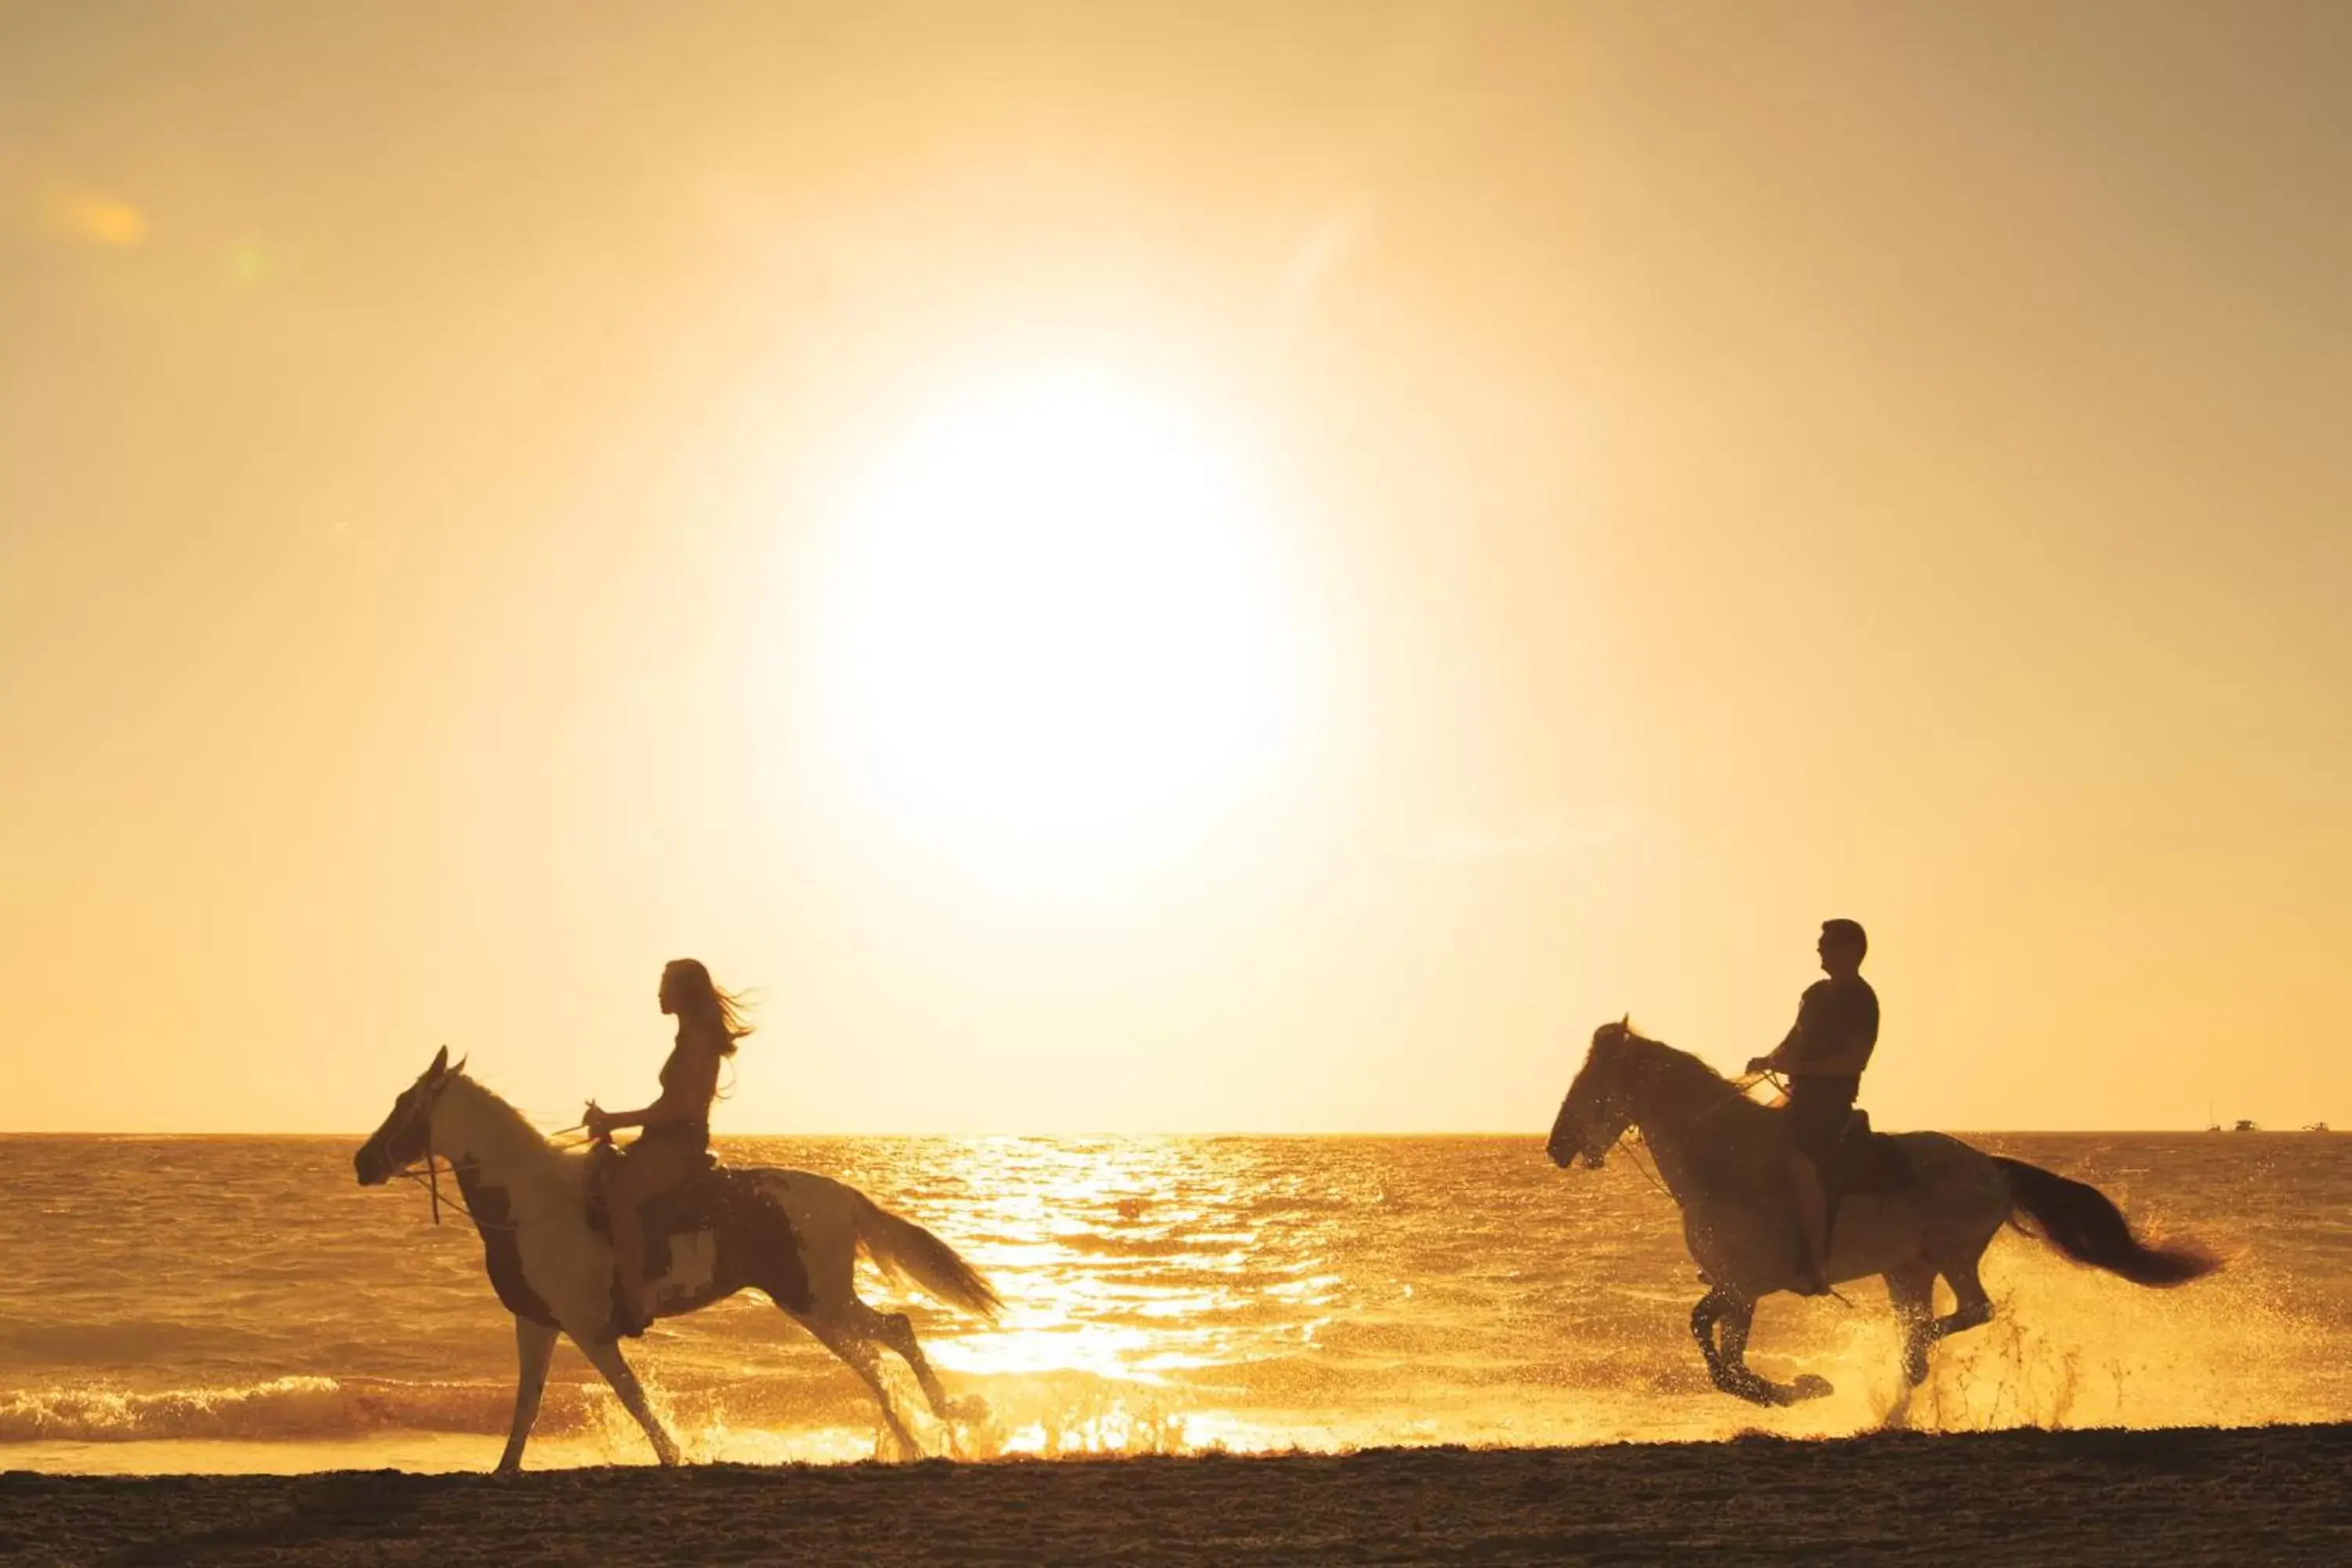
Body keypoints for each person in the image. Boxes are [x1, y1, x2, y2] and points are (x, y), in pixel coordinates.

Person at [585, 958, 750, 1334]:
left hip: (679, 1143)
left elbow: (680, 1108)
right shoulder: (689, 1035)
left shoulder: (697, 1040)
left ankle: (633, 1301)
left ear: (682, 992)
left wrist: (613, 1120)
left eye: (664, 985)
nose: (659, 993)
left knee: (621, 1197)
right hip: (666, 1139)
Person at [1746, 919, 1878, 1296]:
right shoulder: (1814, 994)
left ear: (1852, 950)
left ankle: (1816, 1263)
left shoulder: (1862, 999)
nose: (1819, 950)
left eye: (1828, 944)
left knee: (1799, 1166)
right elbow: (1790, 1043)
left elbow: (1854, 1061)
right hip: (1796, 1095)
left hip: (1829, 1104)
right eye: (1821, 944)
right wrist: (1768, 1060)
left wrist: (1797, 1068)